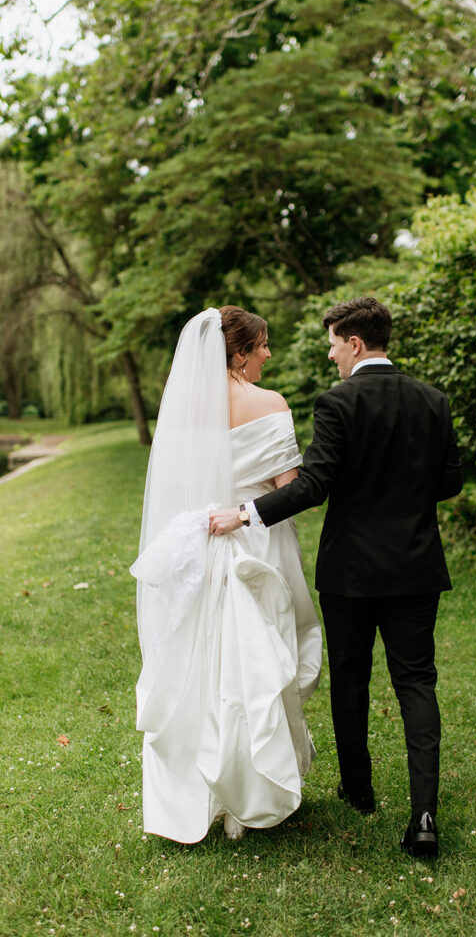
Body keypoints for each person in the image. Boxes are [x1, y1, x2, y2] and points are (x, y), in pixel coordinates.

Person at [209, 296, 462, 857]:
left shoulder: (337, 403)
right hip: (418, 566)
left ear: (353, 343)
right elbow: (450, 482)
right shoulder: (433, 400)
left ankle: (360, 790)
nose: (330, 357)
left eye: (331, 345)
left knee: (350, 676)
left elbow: (314, 484)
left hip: (350, 570)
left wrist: (246, 512)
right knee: (417, 683)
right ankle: (423, 815)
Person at [131, 306, 321, 843]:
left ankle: (204, 793)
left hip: (201, 547)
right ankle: (249, 793)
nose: (267, 354)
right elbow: (291, 485)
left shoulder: (185, 407)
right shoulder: (269, 404)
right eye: (261, 345)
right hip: (257, 542)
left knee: (205, 666)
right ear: (239, 353)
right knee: (256, 660)